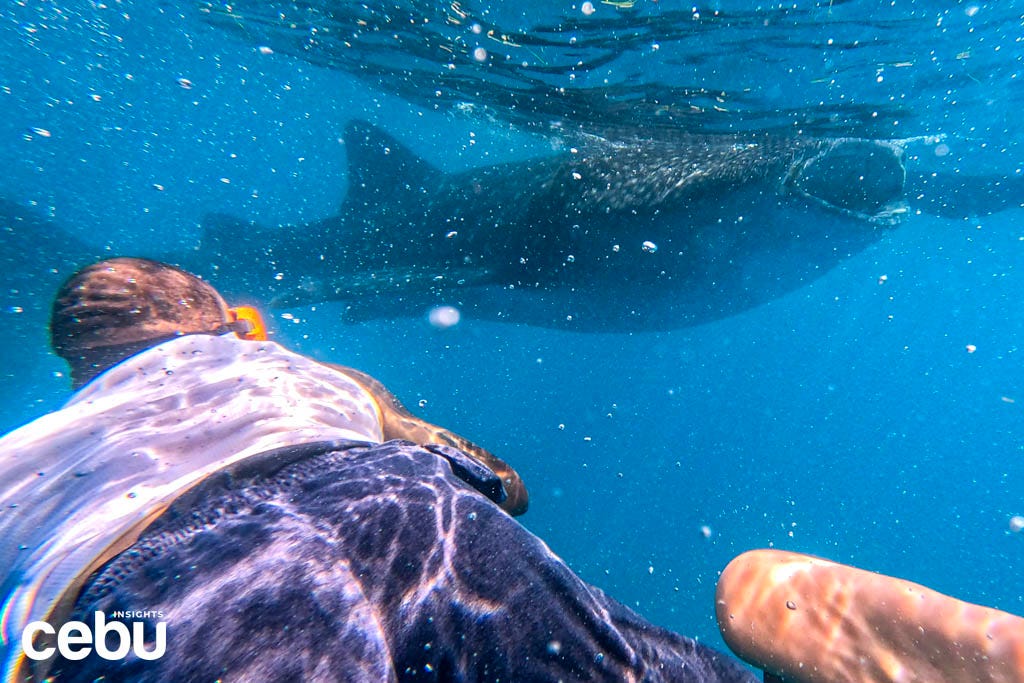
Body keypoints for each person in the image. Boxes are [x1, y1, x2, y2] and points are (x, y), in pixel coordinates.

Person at [1, 257, 1022, 683]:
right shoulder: (292, 373)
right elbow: (488, 476)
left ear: (79, 371)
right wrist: (470, 484)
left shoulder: (26, 460)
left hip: (138, 585)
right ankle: (774, 626)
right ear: (230, 321)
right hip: (393, 503)